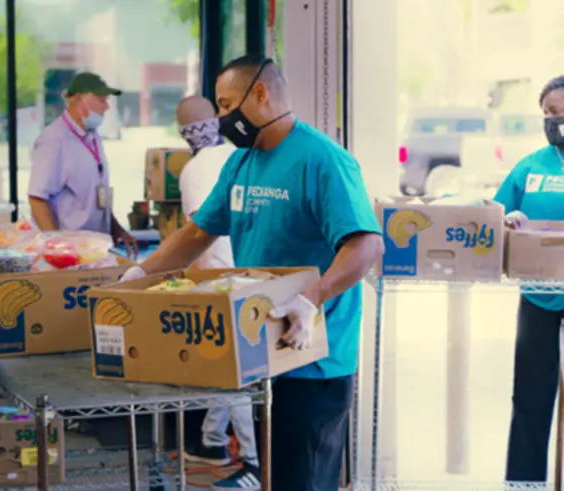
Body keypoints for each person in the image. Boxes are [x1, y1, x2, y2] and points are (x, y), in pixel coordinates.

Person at [121, 54, 384, 491]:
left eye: (226, 106)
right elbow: (198, 232)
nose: (222, 118)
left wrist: (310, 299)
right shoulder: (241, 163)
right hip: (263, 352)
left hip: (314, 357)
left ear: (259, 94)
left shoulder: (322, 160)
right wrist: (139, 274)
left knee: (304, 480)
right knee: (277, 479)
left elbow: (366, 244)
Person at [176, 95, 261, 490]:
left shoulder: (193, 170)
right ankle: (211, 442)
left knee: (233, 371)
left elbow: (198, 232)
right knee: (229, 365)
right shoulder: (238, 156)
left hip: (220, 278)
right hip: (251, 268)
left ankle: (256, 461)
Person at [495, 74, 564, 483]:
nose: (555, 121)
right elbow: (494, 214)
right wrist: (508, 219)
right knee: (531, 399)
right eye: (549, 114)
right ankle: (524, 482)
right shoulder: (530, 166)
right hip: (538, 295)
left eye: (561, 112)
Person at [28, 72, 137, 258]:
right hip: (68, 254)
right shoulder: (54, 139)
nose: (107, 106)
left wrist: (117, 229)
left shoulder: (92, 136)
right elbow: (37, 198)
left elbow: (96, 195)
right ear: (78, 98)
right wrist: (55, 247)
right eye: (101, 100)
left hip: (93, 250)